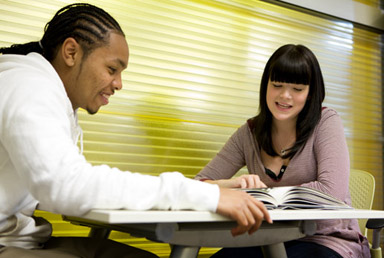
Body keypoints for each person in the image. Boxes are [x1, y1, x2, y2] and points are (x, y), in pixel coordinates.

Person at [0, 3, 271, 258]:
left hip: (25, 238)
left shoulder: (50, 96)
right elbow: (65, 186)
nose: (119, 84)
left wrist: (205, 188)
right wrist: (205, 196)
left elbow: (64, 184)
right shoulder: (30, 87)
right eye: (112, 69)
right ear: (71, 52)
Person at [195, 44, 370, 258]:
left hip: (327, 240)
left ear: (310, 93)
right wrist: (229, 186)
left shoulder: (326, 122)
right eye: (277, 85)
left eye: (297, 89)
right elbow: (197, 186)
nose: (285, 96)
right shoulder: (249, 133)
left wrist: (260, 196)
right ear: (265, 86)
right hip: (268, 239)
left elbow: (332, 191)